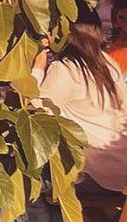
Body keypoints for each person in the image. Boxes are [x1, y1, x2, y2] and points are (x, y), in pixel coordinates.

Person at [34, 16, 127, 193]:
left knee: (26, 181)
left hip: (100, 175)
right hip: (120, 169)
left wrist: (38, 66)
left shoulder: (66, 70)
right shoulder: (106, 61)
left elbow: (37, 113)